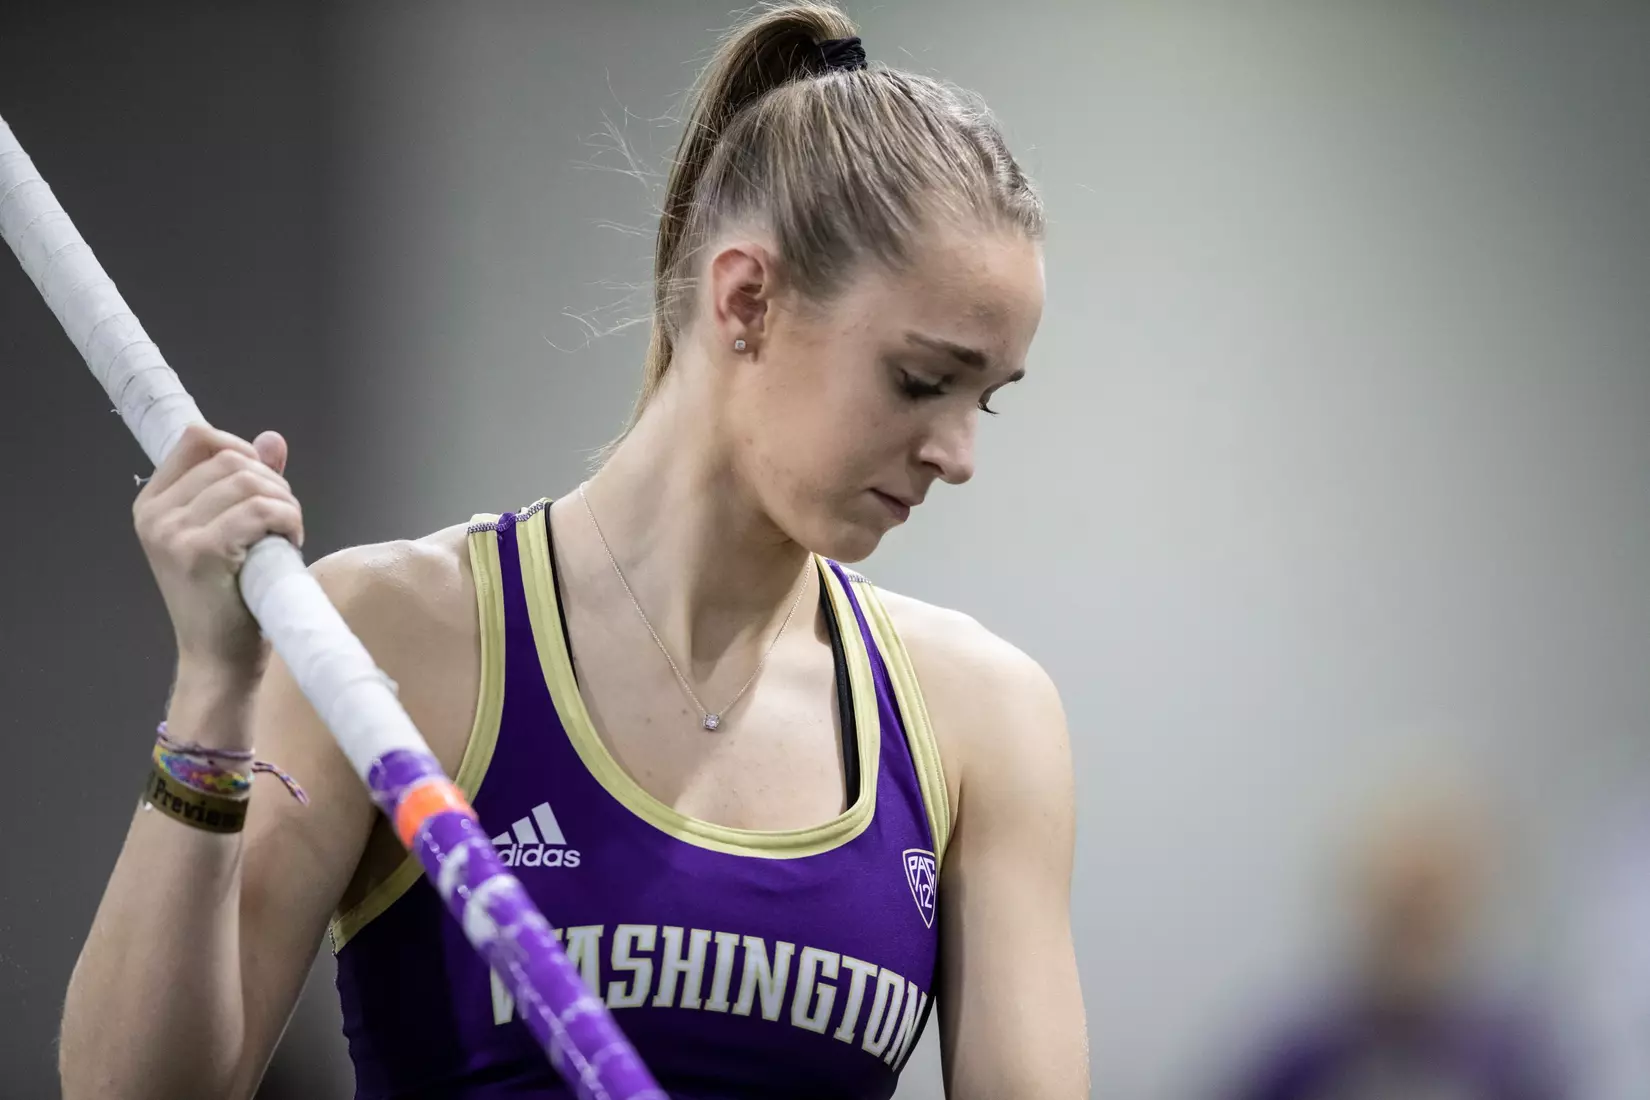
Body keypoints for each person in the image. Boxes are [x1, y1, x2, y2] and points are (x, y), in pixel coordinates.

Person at [57, 4, 1087, 1098]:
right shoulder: (386, 636)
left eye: (986, 398)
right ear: (747, 298)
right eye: (922, 380)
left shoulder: (981, 718)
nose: (958, 454)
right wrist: (215, 687)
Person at [1223, 782, 1563, 1100]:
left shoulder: (1511, 1064)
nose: (1423, 916)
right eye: (1401, 908)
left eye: (1437, 904)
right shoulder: (1301, 1057)